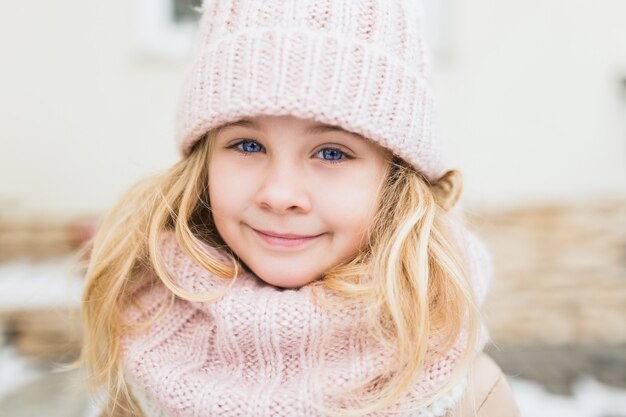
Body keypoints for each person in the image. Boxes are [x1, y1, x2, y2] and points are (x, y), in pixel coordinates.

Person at [80, 1, 520, 416]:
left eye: (331, 153)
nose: (278, 193)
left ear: (395, 180)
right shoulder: (149, 350)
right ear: (204, 162)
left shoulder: (461, 393)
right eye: (248, 145)